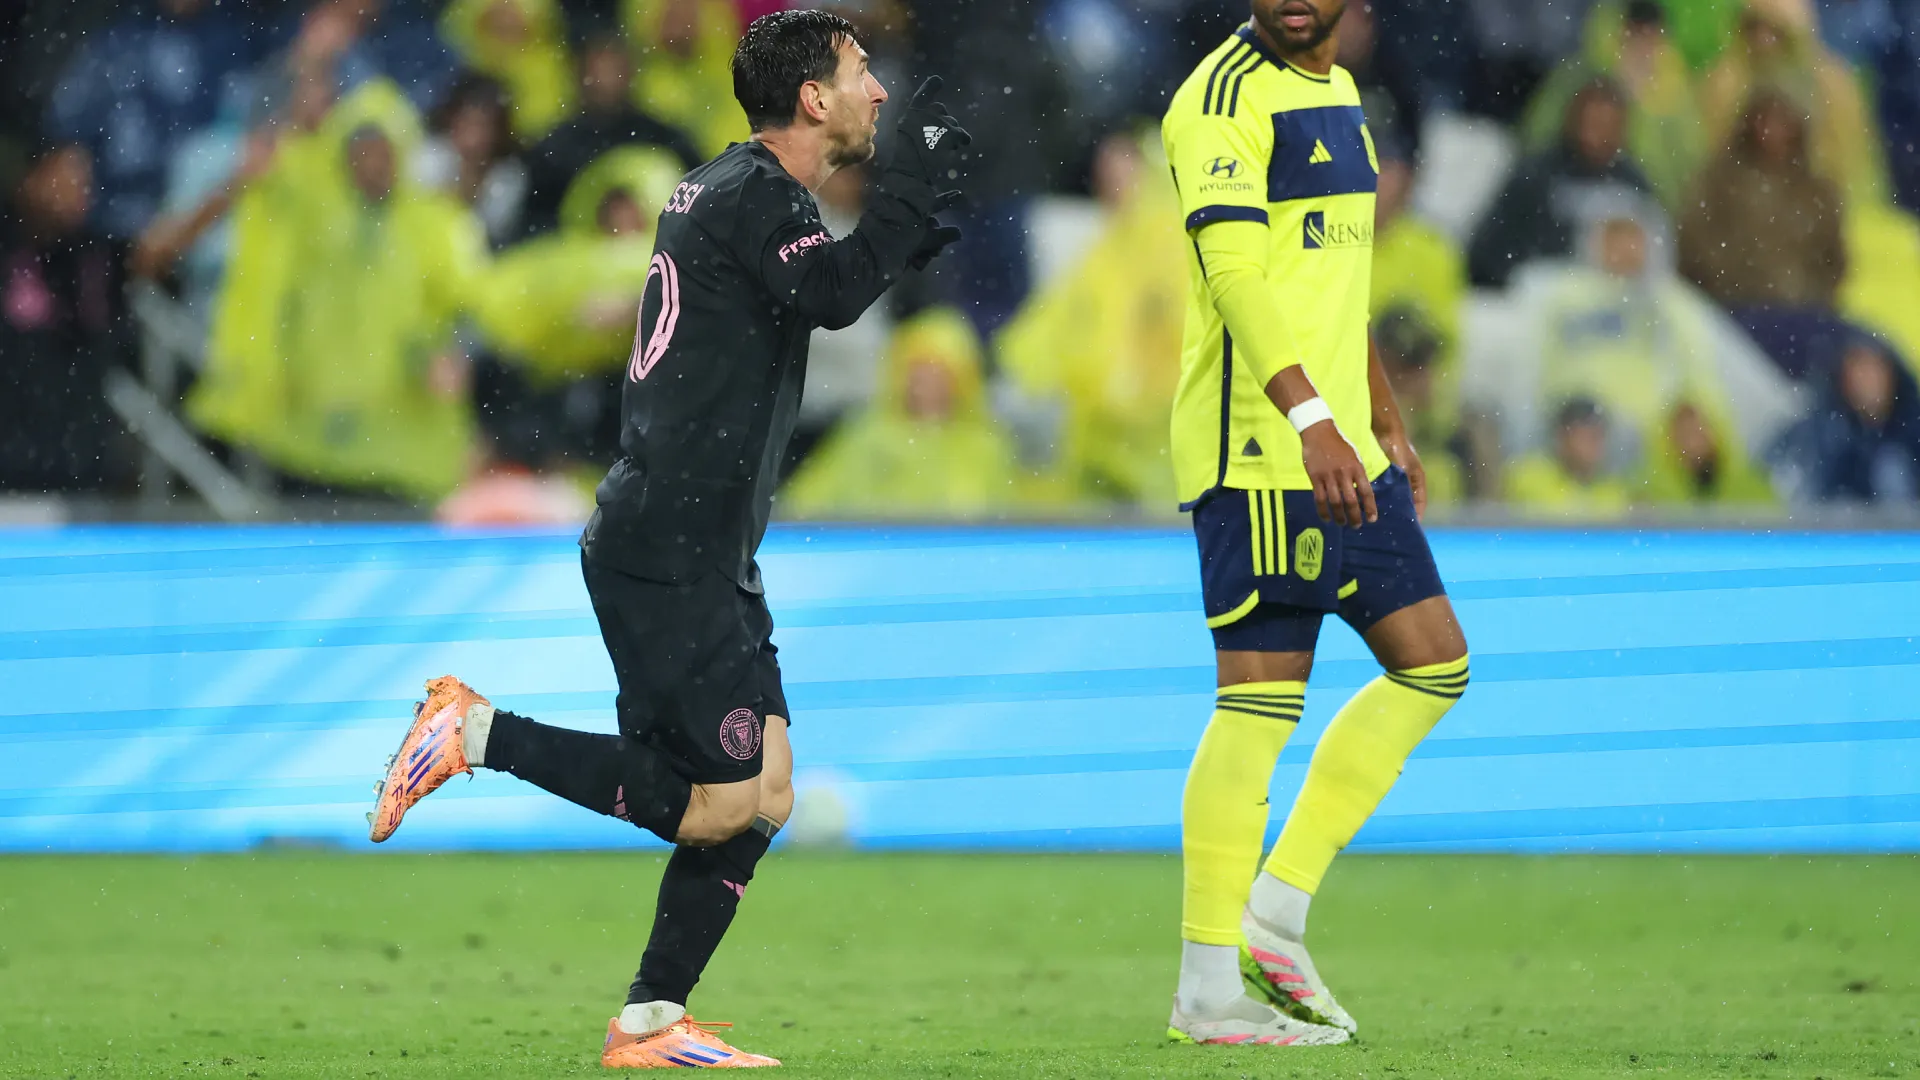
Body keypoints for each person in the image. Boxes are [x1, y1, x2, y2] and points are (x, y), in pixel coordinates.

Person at [365, 10, 967, 1068]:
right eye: (862, 73)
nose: (880, 92)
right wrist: (907, 204)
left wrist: (905, 228)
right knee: (718, 802)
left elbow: (813, 285)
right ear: (813, 98)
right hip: (671, 543)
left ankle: (652, 1019)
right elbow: (828, 295)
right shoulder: (752, 197)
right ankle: (471, 734)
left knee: (766, 787)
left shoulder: (730, 193)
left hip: (698, 542)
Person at [1160, 0, 1470, 1048]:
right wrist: (1311, 420)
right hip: (1262, 444)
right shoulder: (1218, 101)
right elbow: (1236, 278)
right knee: (1257, 704)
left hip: (1342, 442)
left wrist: (1379, 413)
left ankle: (1277, 916)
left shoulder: (1339, 95)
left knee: (1434, 665)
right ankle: (1209, 982)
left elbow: (1335, 281)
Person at [1468, 75, 1661, 288]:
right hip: (1540, 287)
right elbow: (1491, 247)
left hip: (1612, 296)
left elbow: (1655, 257)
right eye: (1593, 124)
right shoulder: (1537, 175)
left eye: (1608, 126)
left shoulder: (1632, 184)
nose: (1596, 136)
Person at [518, 26, 705, 238]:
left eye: (613, 66)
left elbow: (705, 205)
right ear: (578, 73)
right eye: (597, 67)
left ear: (631, 70)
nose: (605, 77)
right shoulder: (552, 152)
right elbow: (536, 227)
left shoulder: (667, 139)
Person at [1679, 85, 1845, 312]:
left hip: (1801, 311)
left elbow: (1832, 258)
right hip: (1732, 309)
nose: (1772, 131)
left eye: (1783, 122)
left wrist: (1808, 295)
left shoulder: (1816, 190)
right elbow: (1695, 245)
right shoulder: (1719, 183)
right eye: (1765, 121)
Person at [1769, 333, 1920, 504]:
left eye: (1874, 368)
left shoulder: (1913, 427)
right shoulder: (1821, 428)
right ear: (1844, 377)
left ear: (1892, 374)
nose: (1867, 379)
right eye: (1858, 369)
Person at [1504, 396, 1634, 517]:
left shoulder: (1613, 491)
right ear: (1563, 437)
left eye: (1599, 437)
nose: (1595, 447)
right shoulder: (1528, 476)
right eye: (1587, 438)